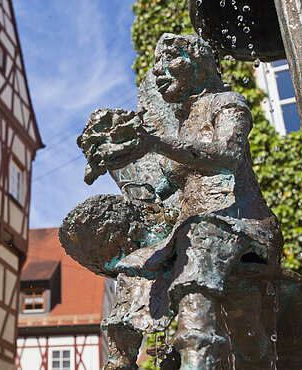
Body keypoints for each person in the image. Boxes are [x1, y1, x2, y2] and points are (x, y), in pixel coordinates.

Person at [85, 34, 283, 368]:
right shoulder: (177, 129)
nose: (160, 72)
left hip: (241, 221)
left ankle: (195, 355)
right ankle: (119, 362)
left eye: (171, 60)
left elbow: (228, 155)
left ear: (199, 64)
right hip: (191, 229)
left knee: (211, 281)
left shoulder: (227, 103)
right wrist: (116, 157)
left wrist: (154, 143)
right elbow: (155, 194)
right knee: (132, 266)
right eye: (156, 65)